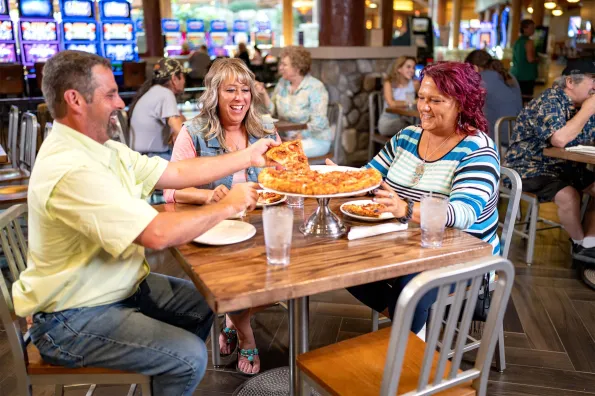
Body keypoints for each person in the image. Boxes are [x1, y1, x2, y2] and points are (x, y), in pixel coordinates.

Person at [11, 50, 278, 395]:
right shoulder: (70, 167)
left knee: (206, 303)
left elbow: (175, 172)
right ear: (75, 100)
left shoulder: (101, 148)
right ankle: (169, 369)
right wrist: (226, 206)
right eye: (109, 94)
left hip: (119, 288)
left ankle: (158, 374)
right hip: (71, 317)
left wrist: (247, 156)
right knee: (189, 357)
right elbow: (155, 234)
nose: (120, 104)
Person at [334, 62, 500, 332]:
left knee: (409, 285)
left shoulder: (477, 149)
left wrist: (406, 209)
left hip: (463, 255)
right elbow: (369, 176)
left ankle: (409, 342)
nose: (423, 106)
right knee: (342, 260)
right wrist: (339, 178)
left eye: (435, 100)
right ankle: (410, 328)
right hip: (405, 245)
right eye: (421, 97)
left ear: (463, 104)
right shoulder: (407, 137)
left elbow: (463, 213)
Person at [164, 58, 277, 375]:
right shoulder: (193, 132)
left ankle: (231, 318)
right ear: (214, 93)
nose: (240, 97)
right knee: (234, 285)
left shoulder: (264, 130)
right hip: (216, 229)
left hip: (262, 222)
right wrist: (207, 195)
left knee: (291, 280)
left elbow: (285, 177)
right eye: (231, 90)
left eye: (245, 89)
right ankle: (246, 334)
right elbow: (171, 192)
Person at [505, 59, 595, 255]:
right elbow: (559, 140)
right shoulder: (549, 101)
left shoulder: (584, 107)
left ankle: (589, 246)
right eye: (593, 80)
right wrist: (588, 110)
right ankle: (580, 246)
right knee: (568, 195)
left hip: (565, 168)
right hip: (528, 167)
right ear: (570, 82)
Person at [256, 45, 331, 158]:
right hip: (287, 139)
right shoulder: (282, 83)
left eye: (284, 64)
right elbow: (271, 111)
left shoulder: (315, 87)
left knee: (277, 154)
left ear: (297, 67)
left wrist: (299, 135)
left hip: (315, 140)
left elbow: (319, 122)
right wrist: (263, 93)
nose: (280, 68)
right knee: (261, 149)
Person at [128, 58, 187, 160]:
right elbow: (180, 130)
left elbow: (180, 121)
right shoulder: (165, 93)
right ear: (174, 78)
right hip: (153, 157)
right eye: (182, 76)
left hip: (143, 156)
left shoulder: (153, 92)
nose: (184, 81)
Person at [465, 49, 523, 143]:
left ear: (475, 67)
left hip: (499, 143)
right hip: (517, 138)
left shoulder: (479, 81)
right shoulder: (509, 76)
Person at [377, 56, 420, 136]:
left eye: (413, 68)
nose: (412, 70)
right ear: (399, 69)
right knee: (413, 129)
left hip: (408, 121)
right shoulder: (388, 83)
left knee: (417, 127)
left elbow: (423, 98)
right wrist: (413, 101)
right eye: (408, 67)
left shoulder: (415, 84)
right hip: (388, 122)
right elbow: (392, 104)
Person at [510, 19, 538, 98]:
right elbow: (530, 59)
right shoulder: (529, 42)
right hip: (526, 74)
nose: (533, 30)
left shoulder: (517, 41)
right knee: (526, 98)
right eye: (531, 28)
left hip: (516, 73)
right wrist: (538, 59)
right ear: (524, 29)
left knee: (518, 97)